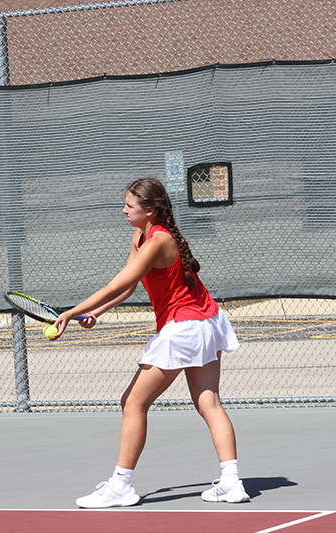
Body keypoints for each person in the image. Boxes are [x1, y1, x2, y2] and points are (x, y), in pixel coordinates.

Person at [51, 177, 249, 508]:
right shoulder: (142, 236)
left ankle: (121, 486)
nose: (123, 210)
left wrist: (70, 313)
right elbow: (131, 286)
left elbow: (118, 283)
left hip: (185, 328)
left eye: (130, 206)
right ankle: (232, 482)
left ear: (149, 210)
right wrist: (96, 313)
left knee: (133, 403)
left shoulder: (158, 240)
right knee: (209, 403)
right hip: (208, 321)